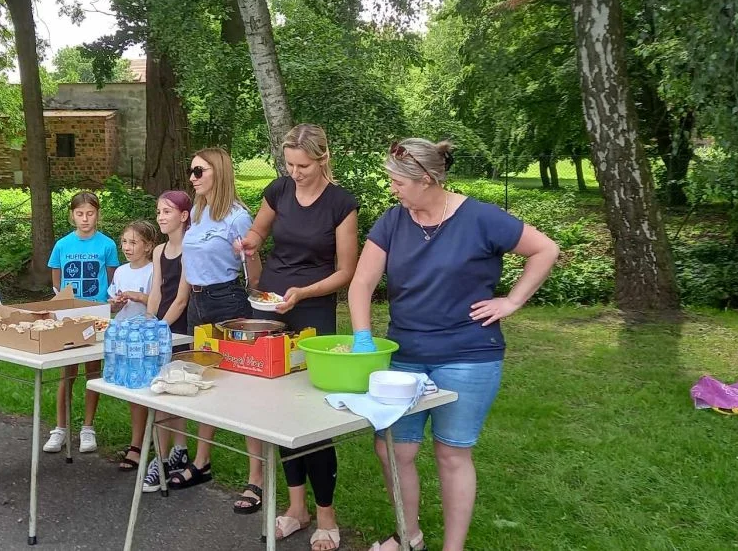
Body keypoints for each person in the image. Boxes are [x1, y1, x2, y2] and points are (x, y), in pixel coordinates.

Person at [348, 138, 559, 551]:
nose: (392, 187)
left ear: (426, 179)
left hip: (469, 356)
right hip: (404, 356)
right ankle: (408, 537)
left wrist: (512, 300)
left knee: (452, 454)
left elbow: (545, 249)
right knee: (393, 450)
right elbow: (362, 282)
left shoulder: (480, 218)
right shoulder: (392, 221)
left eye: (398, 181)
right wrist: (362, 337)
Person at [237, 124, 358, 551]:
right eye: (288, 164)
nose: (295, 172)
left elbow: (346, 271)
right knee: (277, 410)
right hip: (269, 307)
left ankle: (326, 513)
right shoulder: (280, 189)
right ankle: (295, 508)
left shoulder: (341, 204)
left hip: (312, 310)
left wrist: (304, 292)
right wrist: (248, 245)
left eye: (302, 165)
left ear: (322, 159)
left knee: (311, 415)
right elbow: (259, 232)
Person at [165, 148, 265, 518]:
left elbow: (254, 273)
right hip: (198, 303)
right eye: (190, 171)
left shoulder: (238, 217)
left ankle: (256, 478)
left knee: (242, 389)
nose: (191, 178)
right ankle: (203, 462)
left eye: (198, 171)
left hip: (228, 301)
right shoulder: (199, 212)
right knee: (203, 383)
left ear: (218, 172)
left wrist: (251, 260)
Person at [45, 191, 120, 454]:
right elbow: (57, 280)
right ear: (71, 216)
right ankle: (60, 428)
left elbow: (112, 280)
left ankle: (88, 428)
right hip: (69, 315)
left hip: (97, 315)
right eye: (80, 214)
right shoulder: (63, 245)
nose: (85, 219)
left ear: (98, 214)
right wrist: (66, 302)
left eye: (90, 213)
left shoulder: (107, 245)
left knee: (92, 372)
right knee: (67, 372)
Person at [139, 190, 194, 492]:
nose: (160, 216)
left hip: (180, 328)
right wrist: (150, 320)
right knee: (160, 391)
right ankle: (170, 452)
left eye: (167, 211)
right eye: (158, 211)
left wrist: (161, 327)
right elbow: (158, 291)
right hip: (161, 327)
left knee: (173, 391)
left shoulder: (190, 248)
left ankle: (169, 454)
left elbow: (181, 298)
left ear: (184, 216)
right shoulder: (159, 251)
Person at [109, 219, 158, 472]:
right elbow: (114, 302)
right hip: (124, 336)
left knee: (146, 391)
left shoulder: (152, 270)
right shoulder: (120, 271)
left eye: (133, 242)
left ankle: (143, 446)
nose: (127, 247)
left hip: (146, 338)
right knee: (132, 392)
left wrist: (139, 296)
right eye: (124, 242)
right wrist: (116, 303)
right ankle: (138, 441)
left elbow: (158, 302)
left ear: (148, 246)